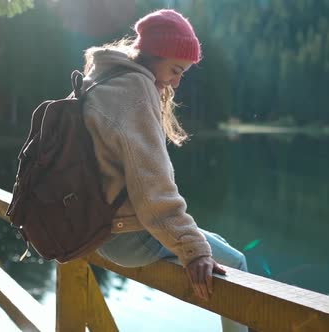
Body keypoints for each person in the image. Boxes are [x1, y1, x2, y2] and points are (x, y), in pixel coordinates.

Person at [81, 9, 249, 332]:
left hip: (100, 231)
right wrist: (193, 250)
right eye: (175, 69)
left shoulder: (106, 77)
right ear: (154, 55)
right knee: (236, 263)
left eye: (183, 73)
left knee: (218, 244)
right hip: (127, 237)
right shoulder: (136, 90)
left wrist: (195, 243)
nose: (176, 81)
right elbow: (153, 193)